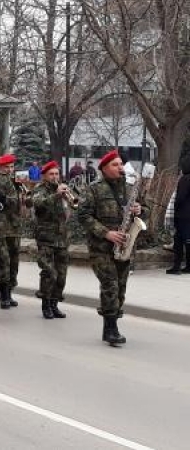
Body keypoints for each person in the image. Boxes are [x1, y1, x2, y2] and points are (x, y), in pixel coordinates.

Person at [78, 149, 148, 347]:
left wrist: (140, 210)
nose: (120, 168)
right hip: (101, 247)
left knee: (121, 288)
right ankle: (111, 329)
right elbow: (83, 216)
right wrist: (106, 233)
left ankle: (111, 324)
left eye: (120, 164)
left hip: (124, 246)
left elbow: (147, 210)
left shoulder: (130, 189)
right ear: (104, 169)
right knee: (110, 285)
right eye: (115, 165)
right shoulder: (93, 189)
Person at [32, 161, 70, 319]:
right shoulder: (40, 190)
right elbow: (39, 204)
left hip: (62, 238)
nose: (55, 177)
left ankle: (55, 304)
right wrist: (57, 195)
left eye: (56, 174)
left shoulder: (63, 189)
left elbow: (75, 206)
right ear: (44, 176)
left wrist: (69, 199)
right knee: (49, 273)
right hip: (46, 238)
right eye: (51, 174)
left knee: (61, 275)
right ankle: (45, 304)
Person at [0, 154, 21, 309]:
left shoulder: (16, 182)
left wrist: (25, 195)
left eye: (12, 167)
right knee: (4, 261)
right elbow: (6, 201)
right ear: (0, 167)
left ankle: (10, 292)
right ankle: (3, 295)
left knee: (14, 262)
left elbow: (26, 205)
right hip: (2, 226)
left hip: (15, 227)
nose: (10, 170)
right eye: (7, 167)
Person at [167, 157, 190, 274]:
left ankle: (176, 267)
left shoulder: (184, 179)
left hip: (183, 216)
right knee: (188, 241)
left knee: (179, 241)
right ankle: (188, 266)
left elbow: (180, 198)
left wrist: (175, 208)